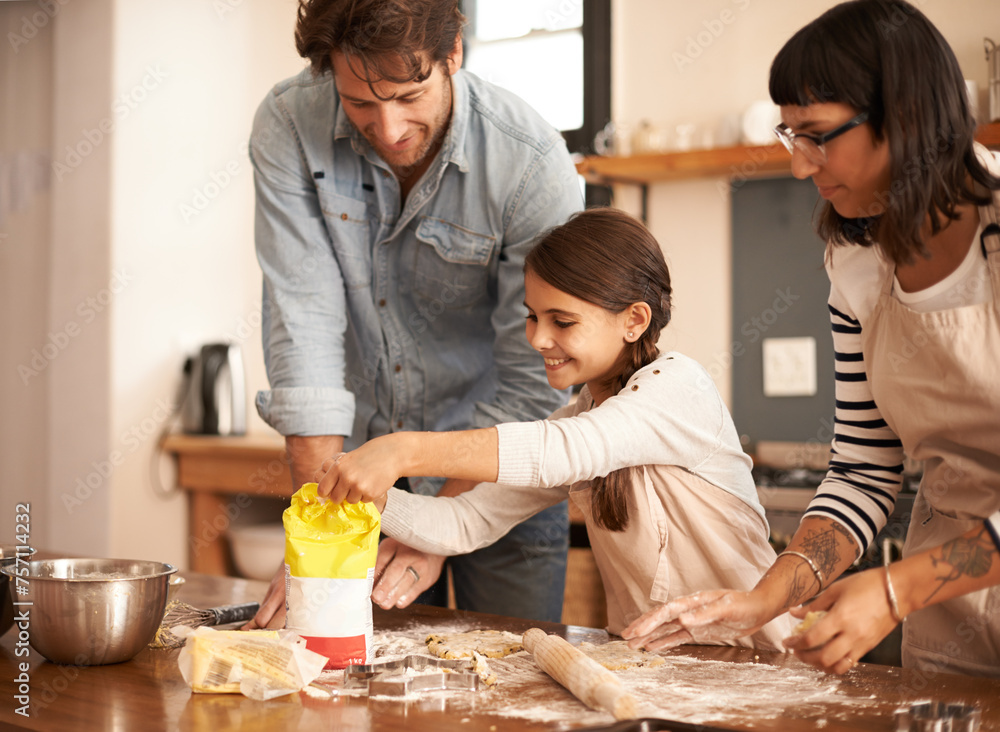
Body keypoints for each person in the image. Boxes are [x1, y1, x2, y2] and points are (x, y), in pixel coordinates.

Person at [621, 0, 1000, 677]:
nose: (801, 165)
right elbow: (862, 469)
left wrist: (895, 589)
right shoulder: (858, 260)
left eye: (818, 134)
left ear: (904, 114)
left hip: (920, 585)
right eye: (790, 134)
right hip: (955, 627)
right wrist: (766, 596)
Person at [316, 207, 797, 648]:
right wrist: (371, 499)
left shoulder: (678, 388)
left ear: (634, 319)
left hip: (757, 659)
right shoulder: (581, 419)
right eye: (531, 316)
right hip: (657, 666)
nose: (538, 338)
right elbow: (467, 522)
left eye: (562, 321)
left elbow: (562, 450)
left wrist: (401, 451)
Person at [246, 0, 583, 628]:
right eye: (359, 103)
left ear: (453, 52)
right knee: (357, 693)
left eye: (407, 94)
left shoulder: (531, 163)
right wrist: (322, 533)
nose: (390, 127)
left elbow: (534, 374)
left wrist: (436, 525)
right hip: (357, 478)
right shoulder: (289, 123)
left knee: (509, 695)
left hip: (499, 477)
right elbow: (304, 320)